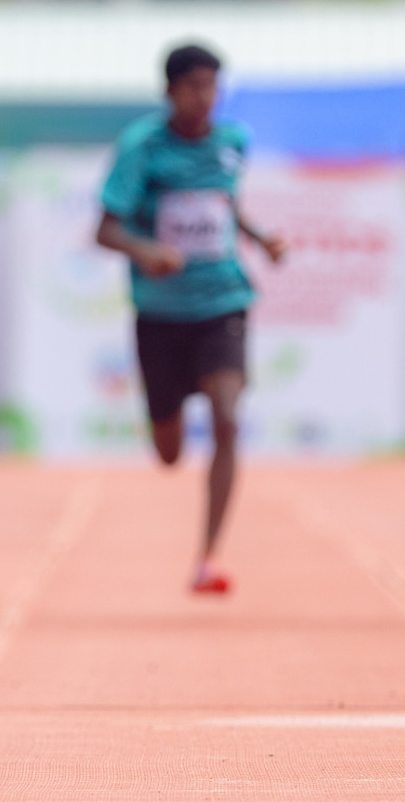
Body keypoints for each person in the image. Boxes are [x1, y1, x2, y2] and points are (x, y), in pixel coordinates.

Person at [95, 44, 286, 595]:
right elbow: (106, 228)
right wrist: (145, 249)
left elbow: (226, 206)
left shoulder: (233, 144)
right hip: (160, 313)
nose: (204, 98)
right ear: (170, 91)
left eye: (212, 86)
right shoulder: (142, 148)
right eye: (193, 87)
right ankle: (164, 417)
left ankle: (208, 556)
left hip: (223, 301)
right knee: (169, 451)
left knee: (227, 419)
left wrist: (259, 239)